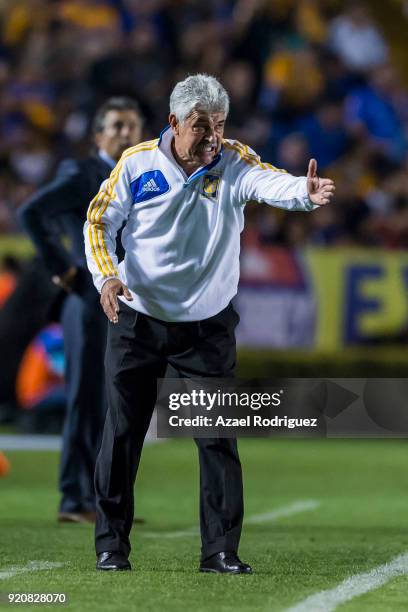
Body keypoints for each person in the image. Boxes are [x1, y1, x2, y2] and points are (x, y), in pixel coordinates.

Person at [84, 74, 335, 572]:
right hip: (138, 318)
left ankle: (220, 551)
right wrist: (106, 278)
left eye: (219, 125)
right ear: (174, 122)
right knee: (121, 435)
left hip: (205, 329)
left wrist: (303, 192)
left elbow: (271, 182)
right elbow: (99, 222)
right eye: (201, 126)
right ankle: (111, 546)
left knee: (217, 440)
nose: (212, 137)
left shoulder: (233, 160)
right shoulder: (136, 164)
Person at [18, 97, 144, 523]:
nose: (126, 133)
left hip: (124, 299)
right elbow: (32, 212)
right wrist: (64, 268)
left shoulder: (142, 172)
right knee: (85, 399)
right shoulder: (81, 172)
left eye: (132, 126)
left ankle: (105, 502)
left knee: (116, 402)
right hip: (87, 299)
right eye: (117, 126)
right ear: (98, 136)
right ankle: (73, 499)